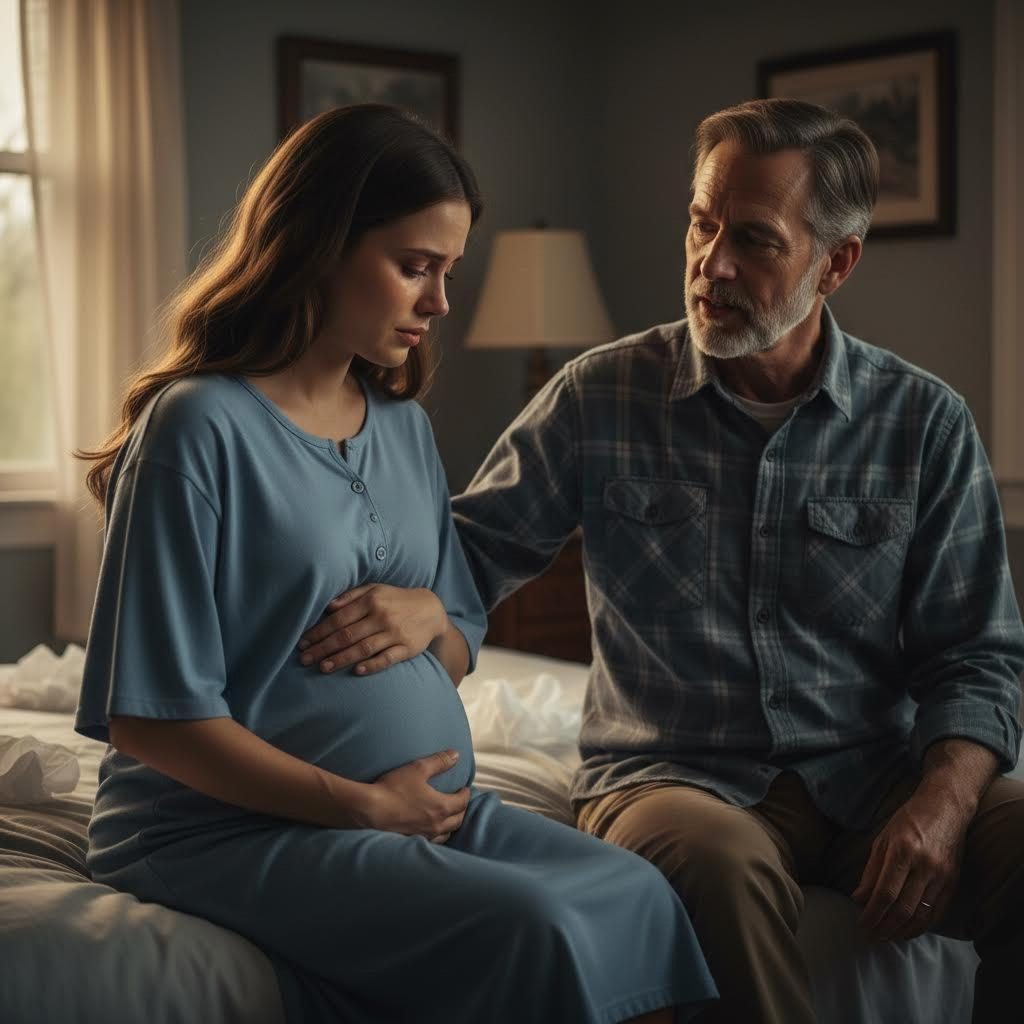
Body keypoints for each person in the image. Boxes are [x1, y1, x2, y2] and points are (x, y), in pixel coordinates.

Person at [73, 105, 717, 1024]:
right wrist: (357, 806)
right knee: (533, 928)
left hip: (428, 811)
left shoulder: (405, 429)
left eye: (447, 272)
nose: (440, 302)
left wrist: (428, 617)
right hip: (225, 829)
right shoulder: (199, 427)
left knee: (643, 896)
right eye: (414, 267)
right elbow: (148, 719)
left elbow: (457, 637)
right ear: (317, 245)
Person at [442, 99, 1024, 1023]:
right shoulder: (602, 396)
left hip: (871, 778)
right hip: (673, 779)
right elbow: (463, 564)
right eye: (701, 223)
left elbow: (978, 654)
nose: (711, 264)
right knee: (721, 864)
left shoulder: (925, 422)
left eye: (753, 239)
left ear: (836, 263)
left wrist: (944, 805)